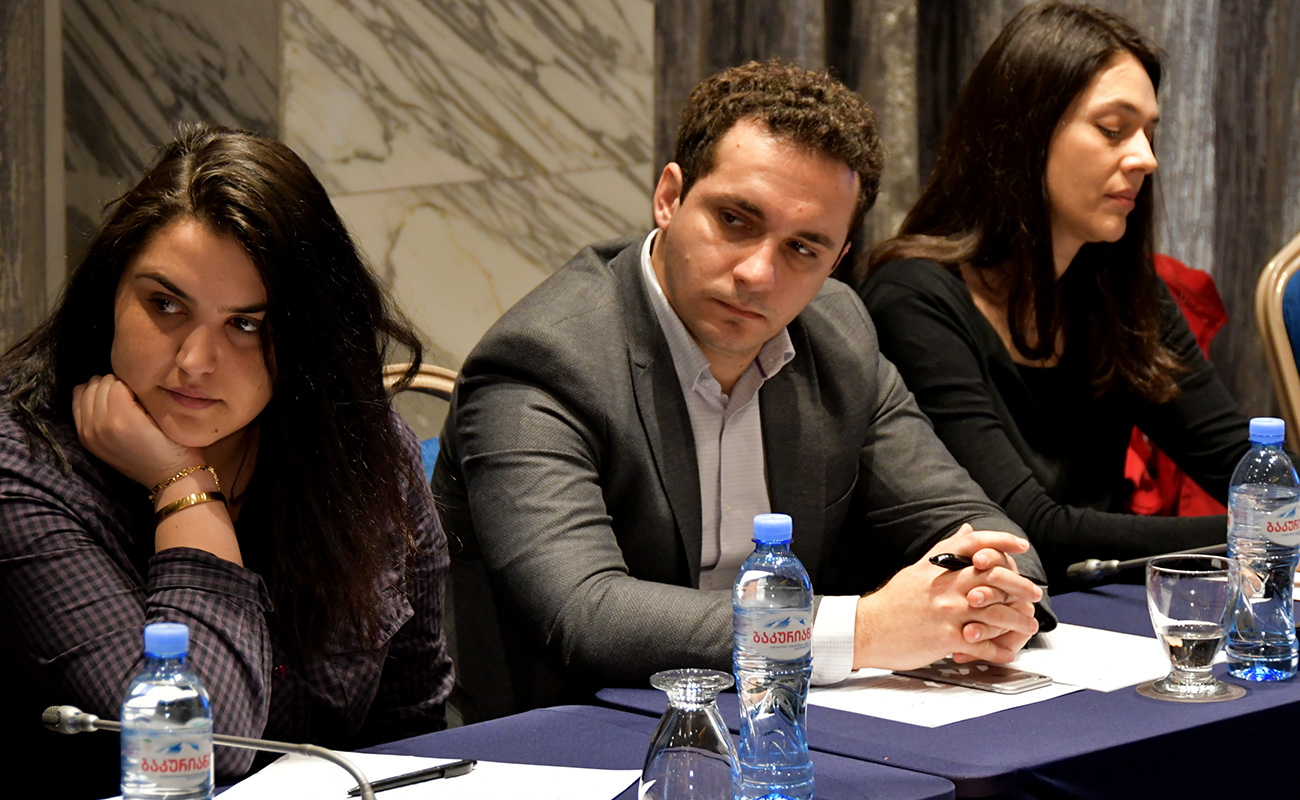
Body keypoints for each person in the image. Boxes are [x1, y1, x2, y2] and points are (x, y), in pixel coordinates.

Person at [432, 60, 1052, 723]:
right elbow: (586, 615)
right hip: (563, 741)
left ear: (838, 259)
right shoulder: (544, 361)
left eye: (803, 249)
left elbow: (974, 524)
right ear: (669, 196)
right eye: (735, 220)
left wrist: (985, 595)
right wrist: (863, 630)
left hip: (773, 728)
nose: (758, 273)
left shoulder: (837, 334)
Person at [0, 125, 452, 798]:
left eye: (246, 325)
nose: (194, 361)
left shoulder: (361, 451)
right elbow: (196, 751)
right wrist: (184, 489)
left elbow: (414, 726)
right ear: (109, 297)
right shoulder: (23, 473)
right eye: (164, 305)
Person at [859, 2, 1250, 588]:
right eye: (1113, 129)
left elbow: (1242, 463)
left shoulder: (1123, 294)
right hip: (984, 622)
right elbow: (1027, 530)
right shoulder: (914, 301)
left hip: (1101, 616)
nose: (1146, 158)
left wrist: (1276, 513)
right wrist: (1260, 533)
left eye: (1149, 133)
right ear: (1026, 131)